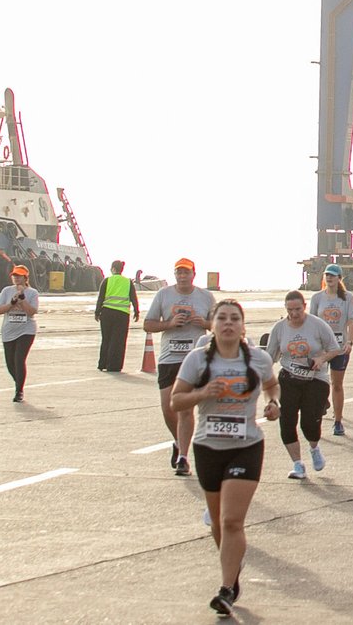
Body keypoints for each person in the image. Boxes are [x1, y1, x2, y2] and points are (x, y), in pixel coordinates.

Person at [170, 298, 279, 618]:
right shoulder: (197, 361)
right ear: (213, 325)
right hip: (207, 446)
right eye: (222, 319)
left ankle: (226, 588)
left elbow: (272, 385)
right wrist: (203, 394)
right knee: (218, 523)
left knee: (232, 520)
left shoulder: (257, 359)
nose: (228, 324)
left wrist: (274, 404)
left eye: (234, 319)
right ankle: (234, 566)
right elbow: (177, 401)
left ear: (243, 326)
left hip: (246, 445)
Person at [144, 257, 215, 477]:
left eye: (186, 273)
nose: (182, 276)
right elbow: (148, 324)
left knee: (186, 409)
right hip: (169, 359)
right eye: (178, 273)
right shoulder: (163, 295)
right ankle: (178, 441)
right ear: (175, 275)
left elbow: (218, 324)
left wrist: (202, 323)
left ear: (194, 274)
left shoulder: (205, 297)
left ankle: (183, 457)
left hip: (194, 359)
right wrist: (169, 324)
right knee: (168, 407)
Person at [265, 290, 342, 480]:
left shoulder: (317, 325)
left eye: (298, 309)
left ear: (304, 307)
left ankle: (314, 448)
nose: (294, 314)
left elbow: (334, 349)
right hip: (289, 378)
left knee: (309, 423)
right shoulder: (279, 328)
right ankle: (297, 464)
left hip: (315, 380)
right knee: (287, 422)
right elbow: (270, 357)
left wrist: (321, 358)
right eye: (290, 310)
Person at [308, 264, 353, 436]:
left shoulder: (347, 298)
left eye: (333, 275)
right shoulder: (317, 298)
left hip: (339, 347)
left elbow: (352, 321)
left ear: (339, 278)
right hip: (321, 348)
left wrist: (350, 342)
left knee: (336, 384)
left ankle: (338, 421)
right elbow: (311, 322)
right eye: (327, 275)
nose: (329, 278)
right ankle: (321, 407)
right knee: (317, 384)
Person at [0, 265, 38, 401]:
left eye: (19, 276)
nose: (16, 278)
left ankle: (19, 392)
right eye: (14, 276)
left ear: (25, 278)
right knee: (10, 363)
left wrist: (22, 298)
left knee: (19, 360)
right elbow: (0, 310)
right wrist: (12, 303)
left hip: (26, 331)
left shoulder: (32, 293)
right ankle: (19, 382)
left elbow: (31, 312)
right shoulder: (6, 291)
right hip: (9, 331)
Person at [94, 259, 140, 372]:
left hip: (106, 313)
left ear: (113, 269)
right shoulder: (128, 282)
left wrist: (97, 312)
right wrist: (136, 311)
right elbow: (134, 297)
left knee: (106, 339)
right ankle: (114, 366)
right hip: (122, 315)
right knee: (118, 341)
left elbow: (101, 298)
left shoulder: (106, 281)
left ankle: (102, 364)